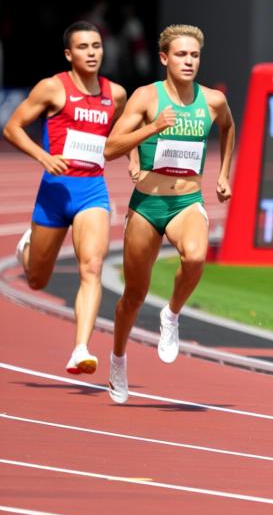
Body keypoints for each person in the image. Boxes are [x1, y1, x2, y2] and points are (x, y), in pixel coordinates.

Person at [102, 24, 236, 404]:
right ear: (164, 58)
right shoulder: (146, 98)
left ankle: (172, 314)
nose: (188, 61)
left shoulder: (212, 101)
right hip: (146, 205)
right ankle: (118, 359)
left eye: (194, 55)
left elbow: (228, 129)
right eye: (181, 54)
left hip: (186, 202)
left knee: (195, 256)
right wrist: (152, 128)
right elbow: (110, 148)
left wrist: (223, 174)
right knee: (133, 295)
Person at [2, 22, 127, 374]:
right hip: (55, 192)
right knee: (37, 279)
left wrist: (133, 160)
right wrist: (43, 157)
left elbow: (117, 136)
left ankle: (81, 348)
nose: (92, 52)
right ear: (69, 54)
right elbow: (12, 127)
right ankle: (27, 249)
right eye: (84, 47)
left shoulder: (115, 94)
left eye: (97, 46)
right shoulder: (53, 88)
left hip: (92, 191)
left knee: (92, 267)